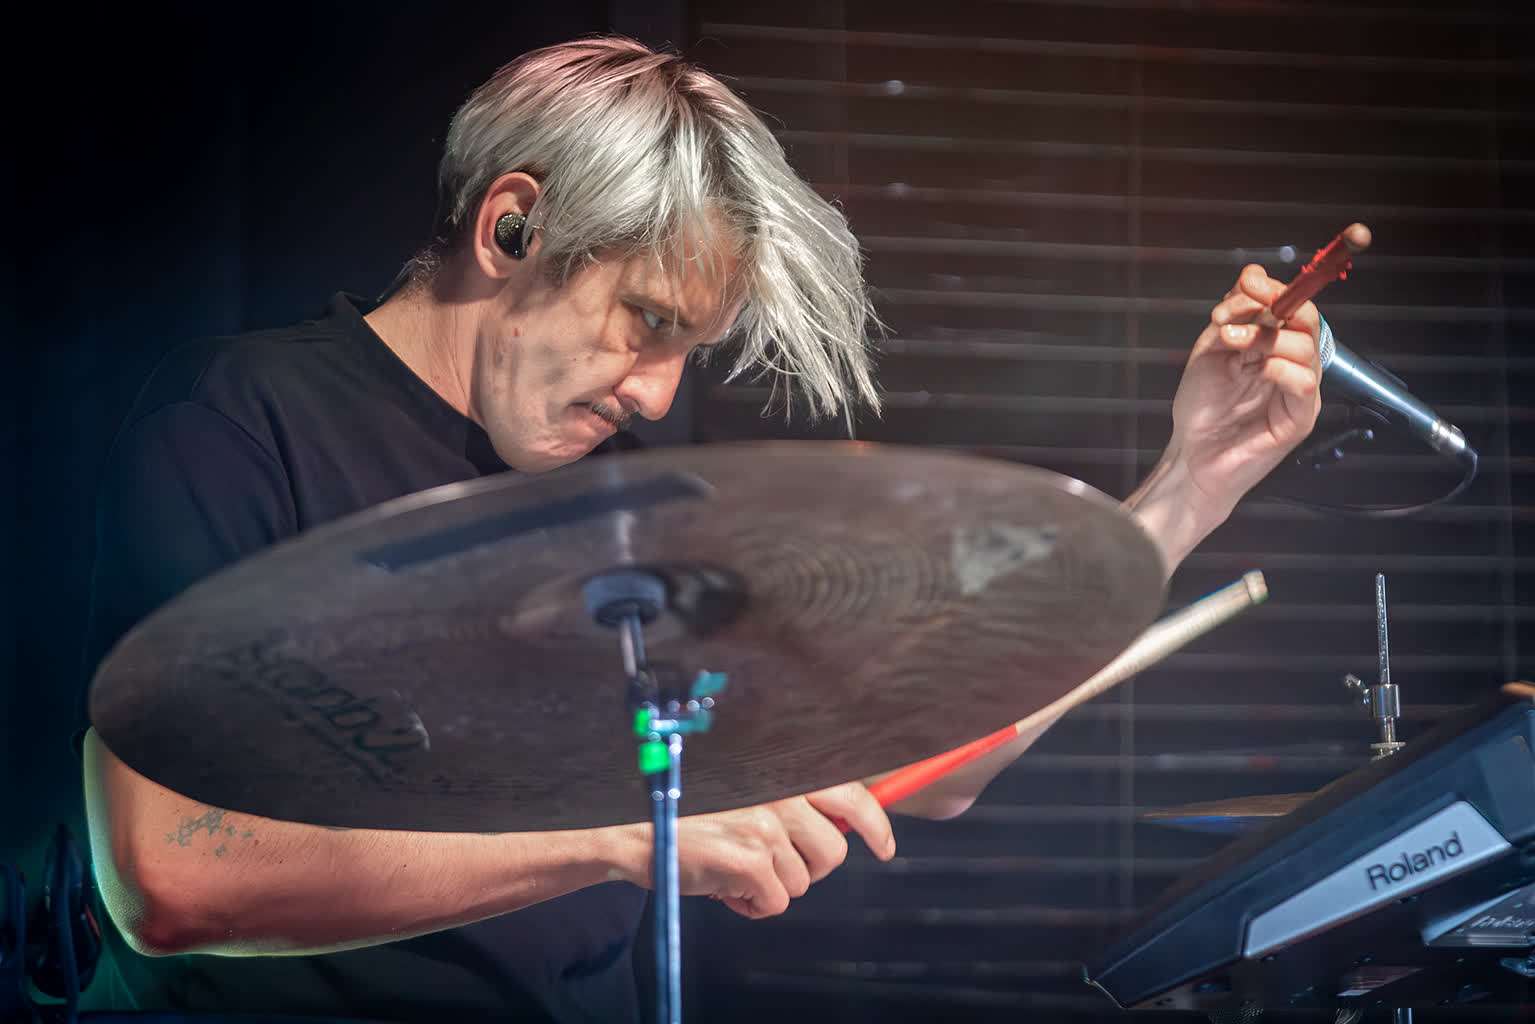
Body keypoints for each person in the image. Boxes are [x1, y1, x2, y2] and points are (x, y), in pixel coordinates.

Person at [77, 35, 1323, 1024]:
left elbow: (931, 763)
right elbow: (169, 876)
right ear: (511, 227)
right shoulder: (240, 422)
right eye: (646, 322)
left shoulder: (628, 507)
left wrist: (1190, 485)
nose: (657, 394)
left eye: (691, 350)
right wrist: (627, 834)